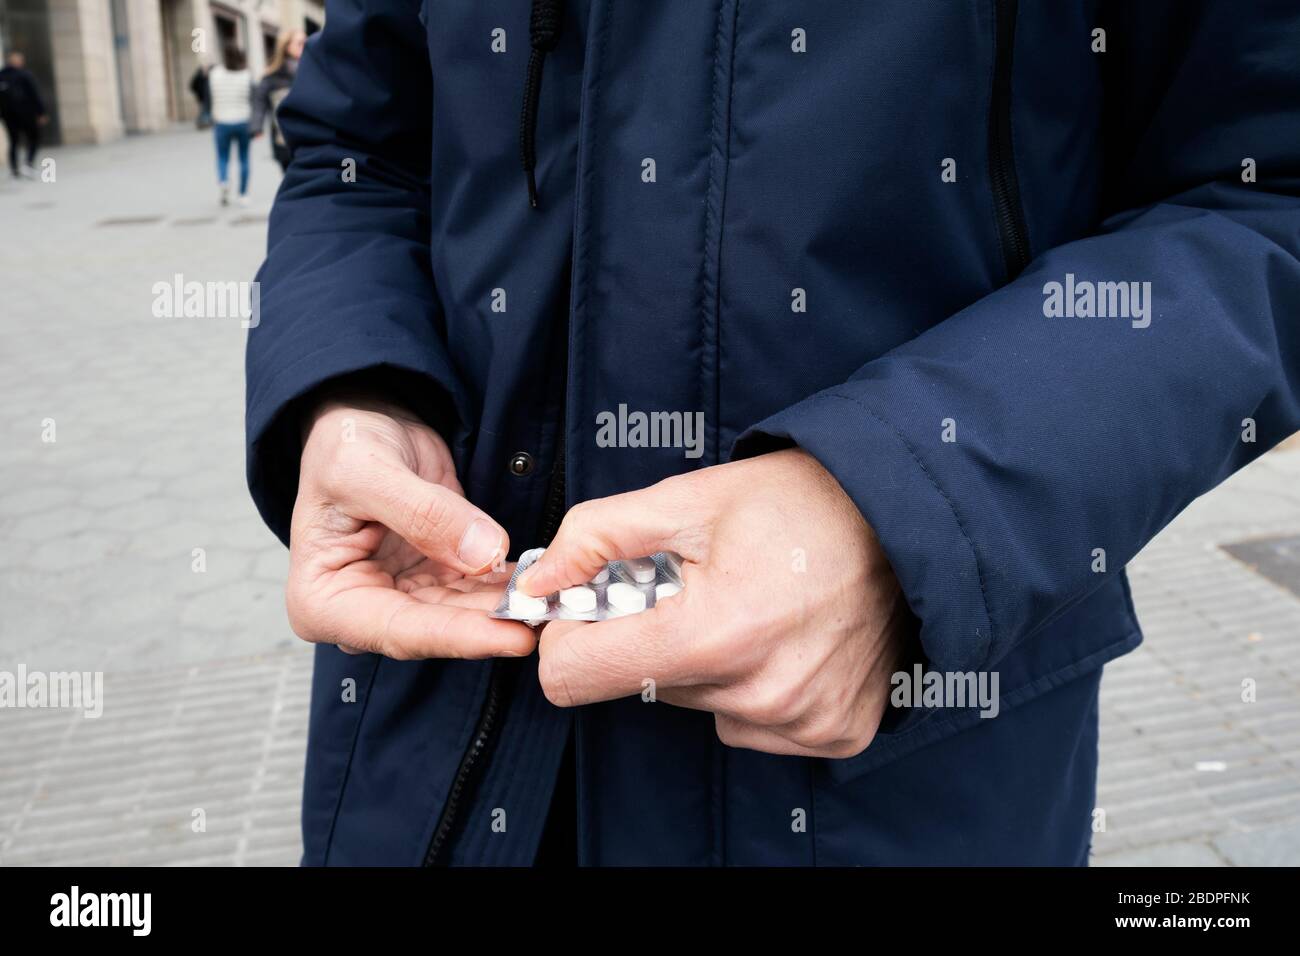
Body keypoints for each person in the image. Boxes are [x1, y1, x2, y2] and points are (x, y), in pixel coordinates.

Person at [246, 1, 1300, 866]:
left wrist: (905, 506)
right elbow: (358, 149)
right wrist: (355, 388)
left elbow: (1268, 193)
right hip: (435, 765)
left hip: (899, 777)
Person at [251, 29, 306, 172]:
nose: (305, 46)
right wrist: (257, 125)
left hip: (311, 139)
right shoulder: (272, 76)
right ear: (286, 46)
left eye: (306, 42)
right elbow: (259, 100)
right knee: (290, 178)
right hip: (284, 140)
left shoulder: (314, 69)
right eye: (300, 43)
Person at [207, 44, 253, 207]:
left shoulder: (214, 74)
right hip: (243, 121)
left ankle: (224, 181)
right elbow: (251, 98)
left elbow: (210, 97)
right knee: (244, 158)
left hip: (222, 121)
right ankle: (243, 194)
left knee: (222, 157)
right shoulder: (246, 75)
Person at [0, 50, 47, 180]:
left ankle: (14, 170)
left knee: (13, 141)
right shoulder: (24, 75)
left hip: (8, 115)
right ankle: (28, 164)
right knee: (34, 138)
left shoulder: (1, 75)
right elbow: (35, 94)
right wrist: (41, 112)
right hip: (26, 113)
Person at [189, 62, 212, 129]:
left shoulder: (210, 76)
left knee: (206, 110)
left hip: (209, 97)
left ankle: (205, 122)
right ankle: (202, 123)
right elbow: (192, 86)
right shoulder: (198, 76)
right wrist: (198, 92)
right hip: (201, 97)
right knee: (203, 109)